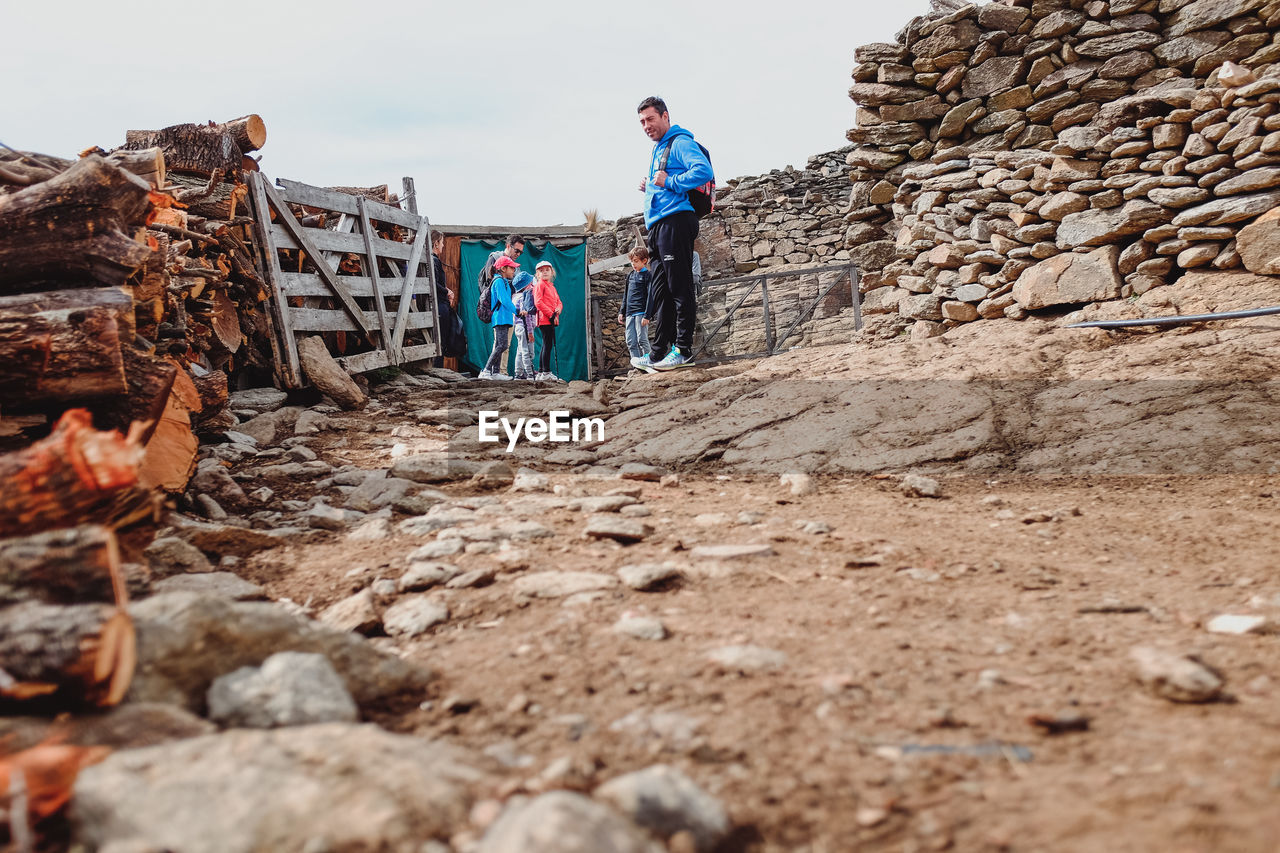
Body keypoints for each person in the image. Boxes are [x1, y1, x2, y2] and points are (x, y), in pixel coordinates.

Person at [634, 96, 712, 371]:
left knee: (680, 289)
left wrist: (670, 181)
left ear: (665, 116)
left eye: (650, 119)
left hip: (675, 221)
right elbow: (664, 183)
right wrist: (652, 187)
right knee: (661, 292)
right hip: (658, 226)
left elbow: (703, 171)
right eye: (642, 121)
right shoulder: (659, 148)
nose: (646, 126)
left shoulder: (680, 142)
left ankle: (683, 351)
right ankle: (656, 355)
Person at [480, 256, 520, 380]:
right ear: (503, 268)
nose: (514, 270)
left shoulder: (504, 282)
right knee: (502, 345)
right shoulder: (498, 281)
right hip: (500, 318)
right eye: (512, 268)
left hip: (505, 318)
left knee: (500, 344)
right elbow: (504, 300)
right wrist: (517, 311)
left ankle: (496, 373)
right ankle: (486, 370)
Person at [429, 230, 464, 366]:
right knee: (441, 340)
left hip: (438, 303)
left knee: (440, 340)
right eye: (442, 242)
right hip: (440, 305)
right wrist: (447, 292)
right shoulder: (433, 260)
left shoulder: (431, 260)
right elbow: (433, 282)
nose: (443, 246)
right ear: (436, 243)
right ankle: (437, 369)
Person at [618, 246, 652, 362]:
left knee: (642, 339)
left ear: (644, 261)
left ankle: (648, 362)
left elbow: (650, 296)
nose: (633, 264)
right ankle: (636, 364)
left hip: (641, 312)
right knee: (631, 341)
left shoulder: (648, 275)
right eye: (632, 261)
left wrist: (647, 315)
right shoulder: (630, 276)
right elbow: (626, 295)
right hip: (629, 313)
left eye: (636, 261)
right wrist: (621, 311)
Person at [533, 260, 565, 381]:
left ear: (552, 272)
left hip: (551, 319)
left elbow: (559, 302)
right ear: (538, 274)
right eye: (541, 271)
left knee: (546, 344)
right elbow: (538, 302)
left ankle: (542, 371)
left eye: (547, 270)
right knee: (547, 344)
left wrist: (558, 309)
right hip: (545, 319)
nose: (544, 272)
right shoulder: (540, 285)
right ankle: (546, 371)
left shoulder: (552, 287)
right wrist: (550, 314)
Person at [511, 266, 538, 380]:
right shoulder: (524, 298)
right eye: (531, 283)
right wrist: (530, 332)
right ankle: (529, 374)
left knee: (520, 350)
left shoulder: (515, 297)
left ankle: (518, 373)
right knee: (527, 352)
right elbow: (525, 317)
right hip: (525, 328)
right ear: (527, 286)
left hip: (518, 328)